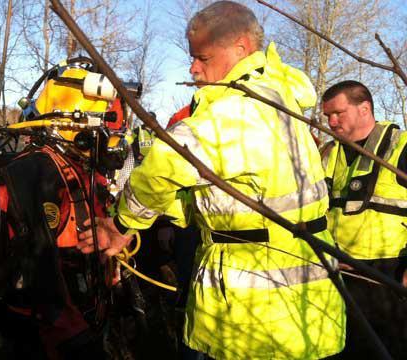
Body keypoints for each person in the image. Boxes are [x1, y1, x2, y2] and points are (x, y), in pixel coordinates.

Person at [77, 1, 346, 359]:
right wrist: (172, 211)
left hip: (254, 322)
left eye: (202, 57)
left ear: (240, 48)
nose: (193, 67)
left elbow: (162, 167)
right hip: (311, 311)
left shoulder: (232, 111)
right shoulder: (280, 97)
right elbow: (235, 197)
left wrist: (123, 223)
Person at [321, 80, 407, 358]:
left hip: (388, 275)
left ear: (365, 108)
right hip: (337, 272)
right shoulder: (328, 153)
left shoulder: (401, 146)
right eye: (327, 116)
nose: (332, 122)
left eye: (338, 113)